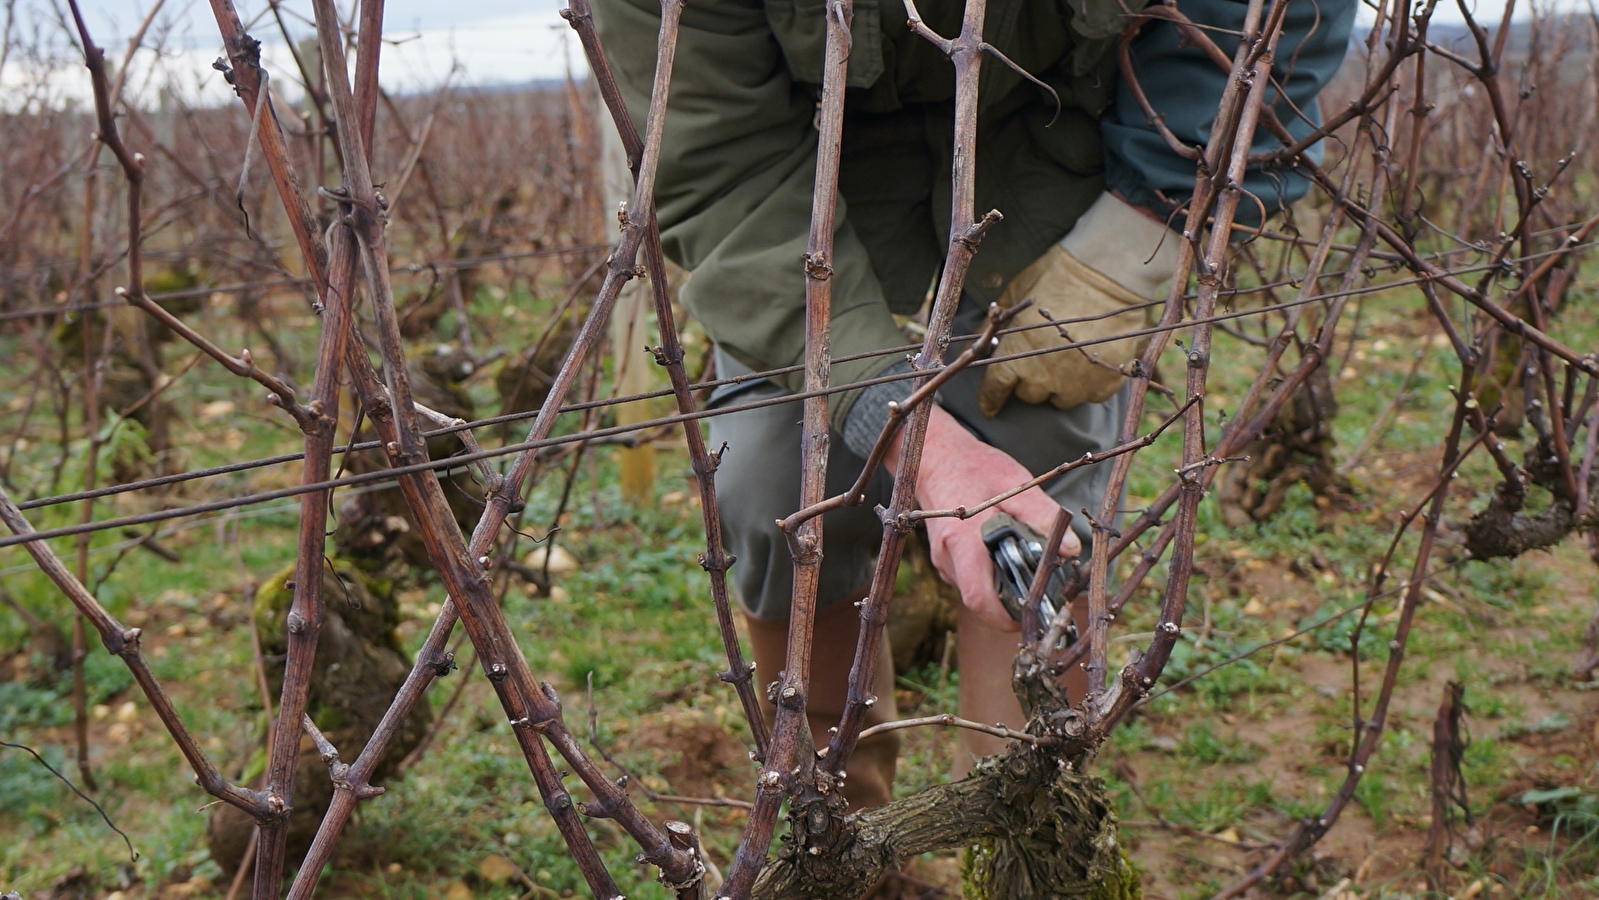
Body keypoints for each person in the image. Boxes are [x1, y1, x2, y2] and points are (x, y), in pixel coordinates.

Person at [594, 0, 1356, 810]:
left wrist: (1139, 239)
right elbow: (719, 166)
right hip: (804, 192)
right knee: (776, 490)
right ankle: (837, 827)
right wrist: (912, 436)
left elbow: (1262, 24)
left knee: (1043, 480)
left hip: (1064, 155)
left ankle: (1020, 825)